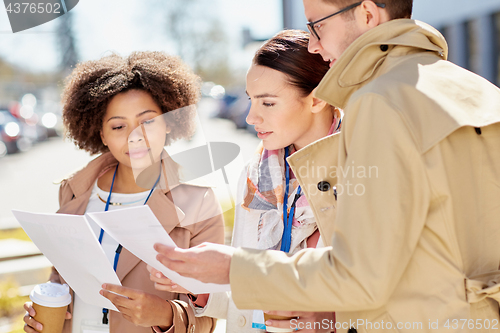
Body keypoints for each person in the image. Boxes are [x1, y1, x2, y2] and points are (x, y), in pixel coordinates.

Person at [153, 1, 500, 332]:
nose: (315, 45)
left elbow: (361, 275)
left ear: (366, 14)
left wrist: (232, 268)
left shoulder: (380, 102)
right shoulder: (480, 92)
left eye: (317, 26)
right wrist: (205, 280)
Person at [148, 30, 341, 332]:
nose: (251, 117)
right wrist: (198, 283)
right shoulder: (256, 174)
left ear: (317, 99)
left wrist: (336, 320)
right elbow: (248, 299)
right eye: (251, 100)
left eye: (267, 103)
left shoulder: (360, 172)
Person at [23, 51, 224, 333]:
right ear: (102, 134)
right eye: (118, 126)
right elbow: (61, 277)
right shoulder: (74, 191)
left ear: (168, 122)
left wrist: (164, 314)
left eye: (148, 121)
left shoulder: (198, 201)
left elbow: (209, 314)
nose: (135, 136)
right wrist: (45, 309)